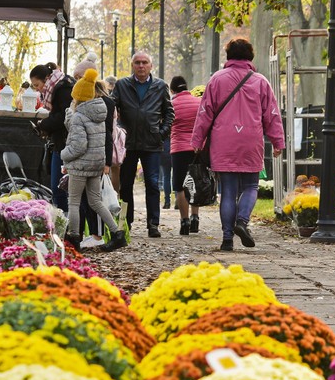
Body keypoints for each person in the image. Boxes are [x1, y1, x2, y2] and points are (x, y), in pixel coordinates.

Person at [190, 38, 284, 251]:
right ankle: (242, 222)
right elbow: (272, 114)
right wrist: (277, 141)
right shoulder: (260, 81)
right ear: (250, 56)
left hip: (224, 141)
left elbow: (205, 112)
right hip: (251, 140)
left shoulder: (217, 80)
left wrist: (197, 140)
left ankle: (227, 239)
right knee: (251, 185)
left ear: (229, 55)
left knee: (228, 191)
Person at [61, 68, 126, 252]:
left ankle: (73, 237)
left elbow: (78, 146)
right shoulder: (97, 113)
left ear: (78, 96)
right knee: (95, 201)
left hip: (81, 165)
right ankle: (116, 233)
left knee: (73, 202)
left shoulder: (80, 117)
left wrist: (64, 155)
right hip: (96, 163)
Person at [111, 51, 175, 237]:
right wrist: (118, 130)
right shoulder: (122, 85)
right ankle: (125, 222)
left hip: (152, 143)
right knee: (126, 184)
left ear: (150, 66)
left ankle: (153, 224)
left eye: (144, 62)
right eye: (137, 62)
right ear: (132, 65)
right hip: (128, 143)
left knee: (153, 184)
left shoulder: (160, 86)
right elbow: (113, 108)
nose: (141, 66)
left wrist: (161, 134)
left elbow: (169, 113)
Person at [30, 62, 75, 212]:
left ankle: (64, 219)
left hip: (66, 143)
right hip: (60, 141)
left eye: (37, 85)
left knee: (59, 187)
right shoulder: (57, 86)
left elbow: (63, 117)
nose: (37, 89)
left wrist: (44, 124)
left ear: (47, 78)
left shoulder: (62, 89)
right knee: (58, 186)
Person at [169, 76, 202, 235]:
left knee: (180, 185)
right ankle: (195, 218)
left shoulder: (172, 104)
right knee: (195, 183)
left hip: (179, 150)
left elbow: (166, 125)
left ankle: (184, 221)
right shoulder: (198, 102)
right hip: (197, 149)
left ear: (172, 90)